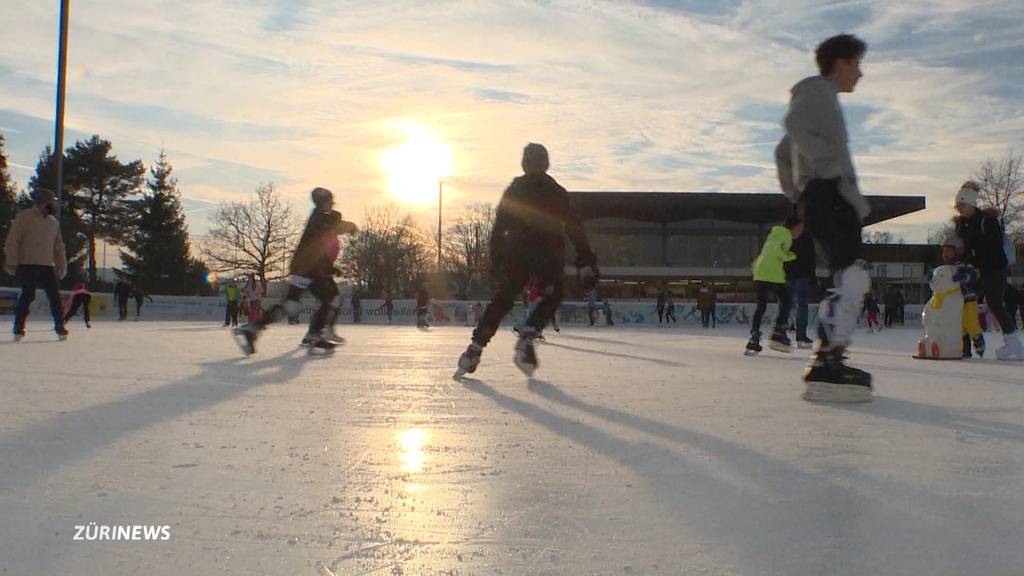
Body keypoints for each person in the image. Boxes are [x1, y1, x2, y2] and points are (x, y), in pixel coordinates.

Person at [777, 34, 873, 400]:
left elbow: (783, 151)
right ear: (840, 63)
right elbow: (795, 126)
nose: (860, 74)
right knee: (852, 275)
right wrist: (823, 173)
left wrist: (798, 191)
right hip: (827, 192)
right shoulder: (815, 92)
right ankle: (828, 361)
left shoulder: (820, 96)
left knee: (847, 275)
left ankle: (829, 356)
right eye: (857, 65)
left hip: (824, 194)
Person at [455, 143, 597, 377]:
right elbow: (575, 228)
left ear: (524, 164)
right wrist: (585, 261)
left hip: (517, 251)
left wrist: (497, 261)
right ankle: (528, 335)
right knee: (553, 294)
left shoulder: (515, 189)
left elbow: (499, 228)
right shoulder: (557, 191)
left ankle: (474, 348)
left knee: (503, 299)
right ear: (547, 164)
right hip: (548, 252)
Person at [233, 187, 357, 355]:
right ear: (324, 202)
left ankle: (254, 328)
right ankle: (315, 334)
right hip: (310, 269)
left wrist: (330, 266)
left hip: (306, 268)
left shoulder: (320, 219)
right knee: (332, 299)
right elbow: (330, 228)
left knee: (292, 304)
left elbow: (322, 242)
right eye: (330, 201)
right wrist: (349, 226)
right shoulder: (321, 220)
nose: (333, 204)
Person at [953, 181, 1022, 360]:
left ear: (972, 204)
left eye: (962, 205)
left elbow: (993, 248)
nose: (959, 208)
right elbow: (963, 248)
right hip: (975, 270)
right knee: (964, 302)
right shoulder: (962, 225)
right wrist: (964, 263)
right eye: (957, 205)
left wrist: (975, 260)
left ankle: (1013, 342)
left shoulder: (987, 221)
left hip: (994, 269)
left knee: (994, 303)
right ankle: (965, 345)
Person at [3, 188, 67, 341]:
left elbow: (58, 247)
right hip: (28, 263)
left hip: (46, 265)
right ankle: (18, 328)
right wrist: (12, 261)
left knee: (54, 297)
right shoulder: (25, 217)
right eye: (53, 201)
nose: (55, 204)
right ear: (45, 202)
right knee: (27, 295)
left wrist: (61, 265)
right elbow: (13, 240)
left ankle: (60, 327)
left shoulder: (53, 223)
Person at [746, 215, 802, 355]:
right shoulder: (785, 235)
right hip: (772, 273)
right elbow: (776, 251)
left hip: (760, 272)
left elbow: (767, 251)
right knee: (787, 301)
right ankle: (778, 330)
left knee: (761, 306)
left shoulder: (774, 234)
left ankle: (754, 336)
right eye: (800, 229)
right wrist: (790, 256)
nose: (800, 232)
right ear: (794, 227)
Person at [940, 234, 984, 358]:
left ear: (958, 250)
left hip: (968, 300)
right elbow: (940, 280)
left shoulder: (965, 265)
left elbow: (973, 276)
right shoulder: (945, 268)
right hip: (954, 302)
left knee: (970, 323)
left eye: (948, 251)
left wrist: (963, 276)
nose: (945, 254)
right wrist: (932, 278)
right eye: (944, 251)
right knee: (958, 326)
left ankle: (978, 340)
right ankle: (964, 351)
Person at [784, 223, 816, 347]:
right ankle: (800, 335)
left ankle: (784, 333)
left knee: (788, 305)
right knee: (800, 305)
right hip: (799, 274)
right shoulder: (806, 237)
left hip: (793, 274)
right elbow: (811, 258)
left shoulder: (787, 236)